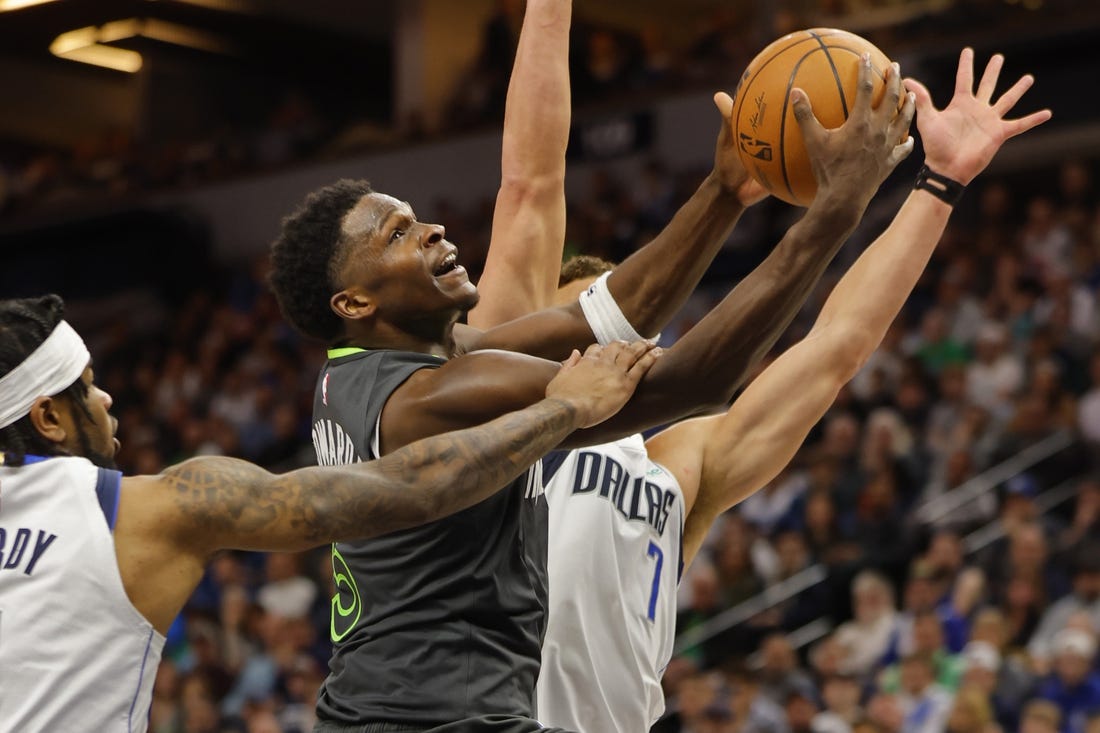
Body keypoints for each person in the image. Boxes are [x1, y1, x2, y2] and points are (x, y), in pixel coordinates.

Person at [267, 1, 914, 728]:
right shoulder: (423, 398)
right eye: (398, 234)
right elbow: (691, 381)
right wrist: (834, 212)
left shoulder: (397, 361)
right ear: (353, 301)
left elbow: (604, 313)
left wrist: (723, 193)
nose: (433, 230)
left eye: (416, 216)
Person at [469, 12, 1051, 726]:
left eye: (635, 326)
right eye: (593, 324)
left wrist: (939, 185)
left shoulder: (677, 462)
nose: (619, 340)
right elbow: (530, 184)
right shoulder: (494, 415)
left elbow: (835, 347)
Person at [0, 293, 656, 733]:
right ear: (48, 416)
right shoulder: (142, 510)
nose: (107, 396)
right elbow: (412, 488)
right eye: (86, 387)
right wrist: (565, 407)